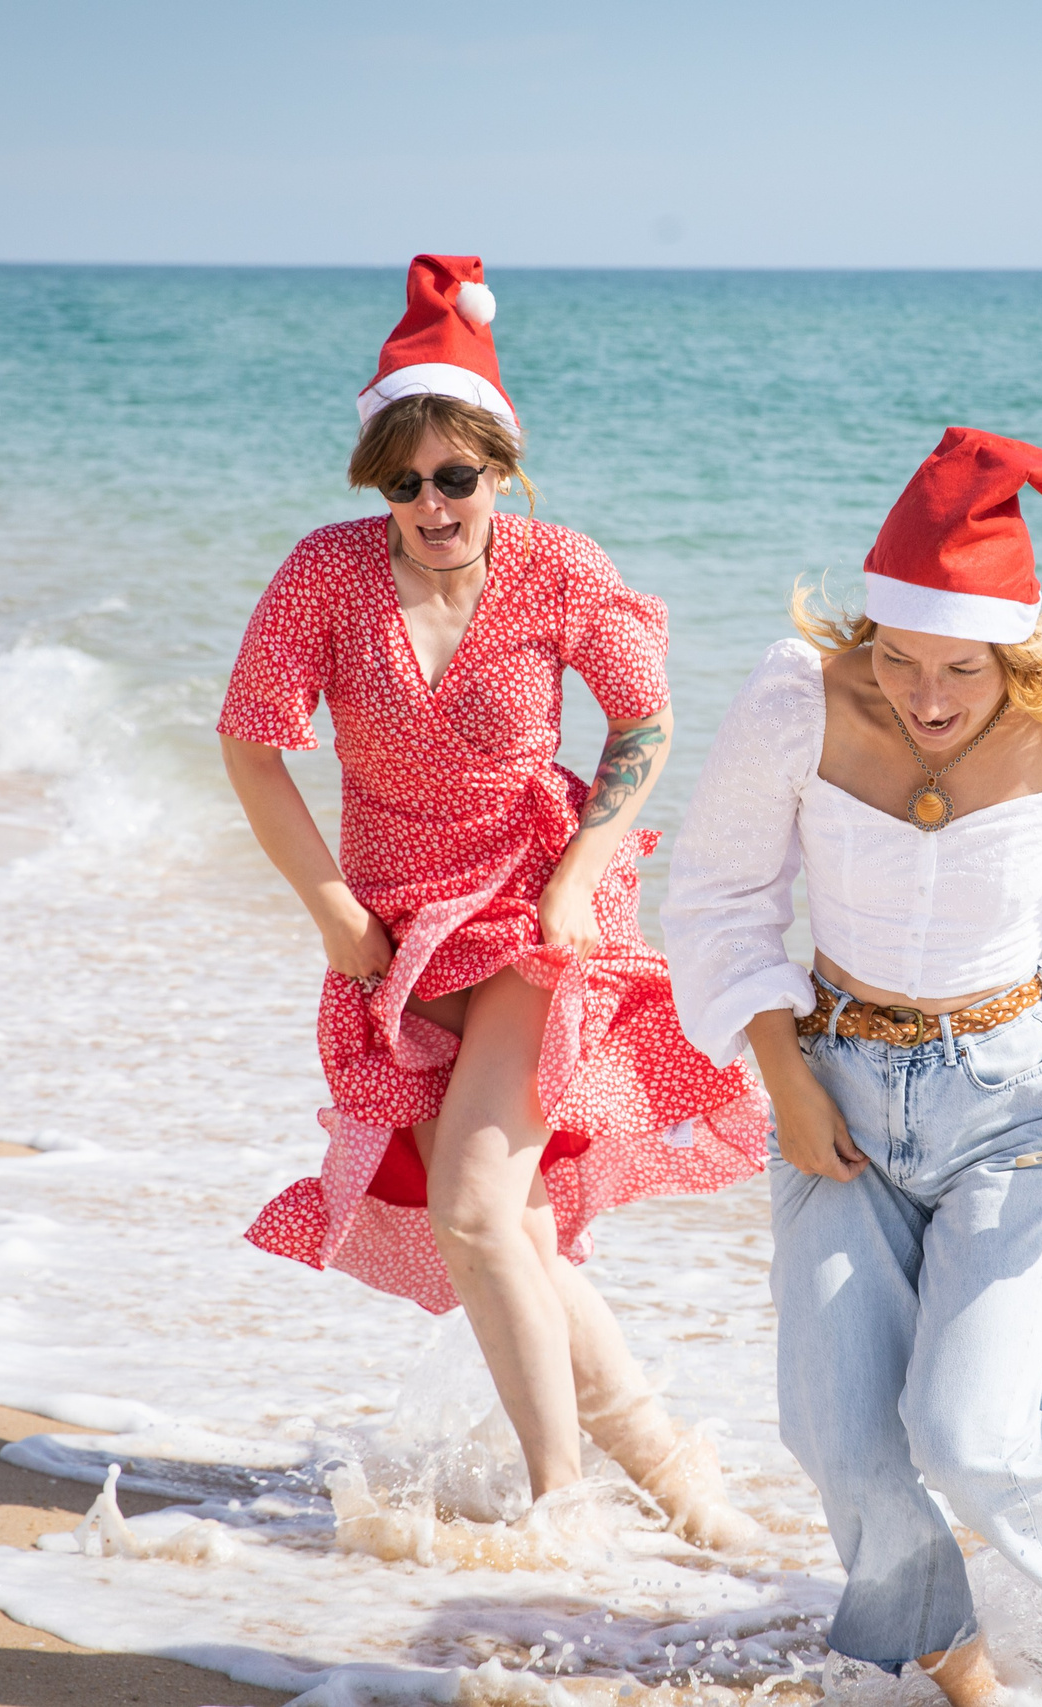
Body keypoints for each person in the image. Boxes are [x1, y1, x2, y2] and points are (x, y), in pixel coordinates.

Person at [218, 254, 769, 1547]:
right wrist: (334, 911)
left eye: (455, 474)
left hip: (535, 913)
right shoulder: (327, 575)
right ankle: (682, 1480)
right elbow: (251, 741)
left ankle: (561, 1503)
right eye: (403, 480)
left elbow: (645, 716)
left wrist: (581, 871)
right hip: (404, 938)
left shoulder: (560, 567)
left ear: (500, 468)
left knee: (475, 1208)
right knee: (518, 1229)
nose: (430, 502)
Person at [662, 428, 1042, 1701]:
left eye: (961, 668)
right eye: (898, 657)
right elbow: (719, 898)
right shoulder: (795, 696)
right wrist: (783, 1076)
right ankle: (973, 1684)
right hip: (836, 1086)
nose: (924, 696)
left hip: (1015, 1100)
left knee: (966, 1435)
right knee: (839, 1438)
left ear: (1013, 649)